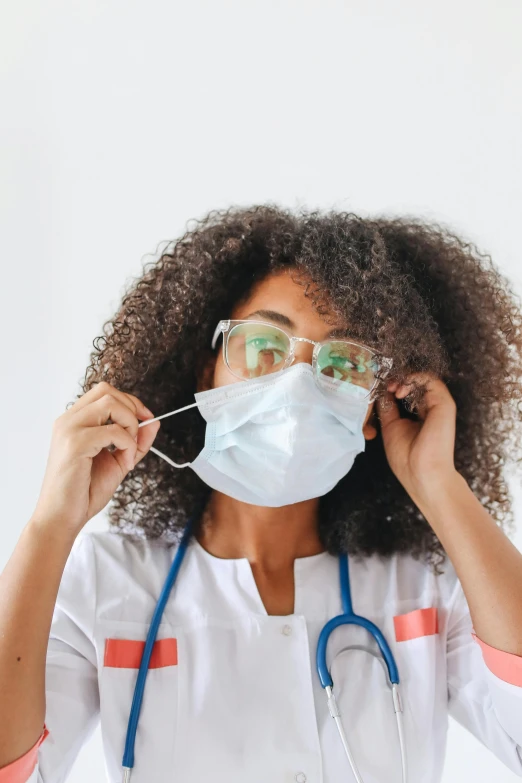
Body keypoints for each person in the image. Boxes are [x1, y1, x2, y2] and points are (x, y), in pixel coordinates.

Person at [1, 204, 522, 783]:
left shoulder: (422, 585)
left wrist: (439, 485)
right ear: (208, 375)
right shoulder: (106, 581)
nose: (297, 383)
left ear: (372, 412)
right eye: (265, 347)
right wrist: (50, 525)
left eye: (343, 363)